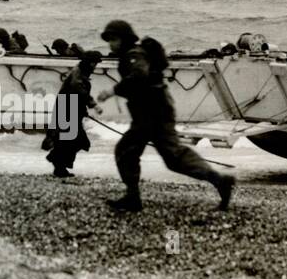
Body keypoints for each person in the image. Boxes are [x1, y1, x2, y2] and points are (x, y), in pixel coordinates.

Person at [95, 20, 234, 213]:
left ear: (124, 39)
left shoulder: (134, 55)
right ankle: (219, 180)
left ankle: (133, 198)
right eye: (109, 40)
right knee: (170, 156)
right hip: (155, 111)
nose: (110, 44)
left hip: (151, 113)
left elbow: (139, 76)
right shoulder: (134, 54)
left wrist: (112, 91)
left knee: (128, 150)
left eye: (113, 39)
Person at [42, 50, 101, 177]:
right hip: (68, 108)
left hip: (70, 107)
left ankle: (58, 165)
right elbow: (78, 90)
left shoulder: (80, 72)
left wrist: (83, 110)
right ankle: (56, 161)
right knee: (76, 140)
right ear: (91, 63)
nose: (95, 66)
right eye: (95, 63)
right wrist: (93, 104)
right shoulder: (78, 74)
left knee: (71, 140)